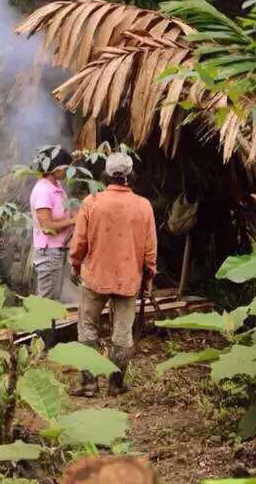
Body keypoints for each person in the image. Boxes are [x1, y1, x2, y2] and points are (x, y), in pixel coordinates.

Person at [69, 152, 157, 397]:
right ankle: (116, 385)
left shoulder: (91, 202)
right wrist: (148, 279)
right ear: (130, 176)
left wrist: (75, 265)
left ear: (106, 175)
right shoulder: (143, 206)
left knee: (87, 329)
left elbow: (79, 243)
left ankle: (88, 383)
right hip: (128, 280)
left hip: (95, 277)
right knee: (122, 334)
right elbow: (150, 250)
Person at [29, 146, 76, 305]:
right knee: (47, 302)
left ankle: (45, 329)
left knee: (52, 299)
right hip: (49, 252)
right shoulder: (43, 190)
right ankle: (42, 330)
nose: (67, 171)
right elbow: (47, 227)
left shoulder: (57, 187)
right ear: (55, 168)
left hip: (57, 251)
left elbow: (61, 213)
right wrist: (72, 221)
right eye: (65, 168)